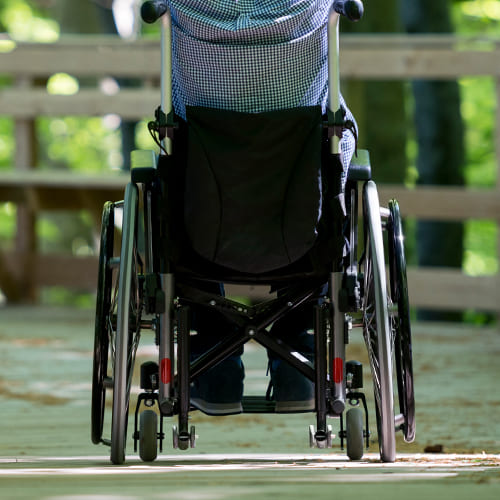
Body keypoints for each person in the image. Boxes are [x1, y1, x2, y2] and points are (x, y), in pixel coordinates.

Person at [163, 0, 357, 415]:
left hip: (204, 219)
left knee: (172, 148)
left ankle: (214, 365)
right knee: (335, 141)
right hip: (301, 210)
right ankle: (298, 358)